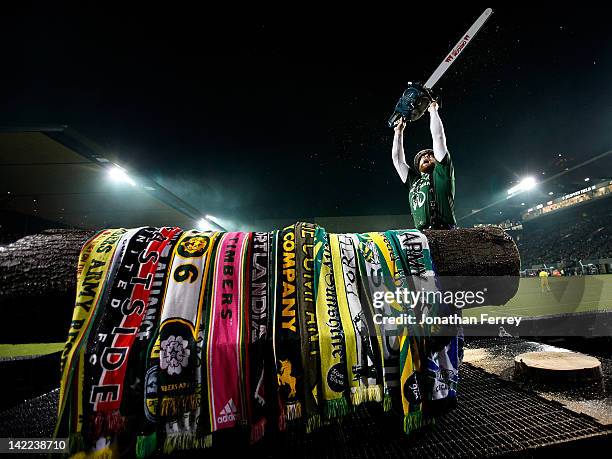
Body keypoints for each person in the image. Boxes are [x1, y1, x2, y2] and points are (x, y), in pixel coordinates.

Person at [392, 101, 455, 230]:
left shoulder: (442, 172)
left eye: (430, 155)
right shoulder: (413, 181)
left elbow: (438, 138)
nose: (426, 156)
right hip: (421, 237)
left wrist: (433, 110)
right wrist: (398, 132)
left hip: (446, 232)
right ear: (417, 165)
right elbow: (397, 160)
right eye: (422, 157)